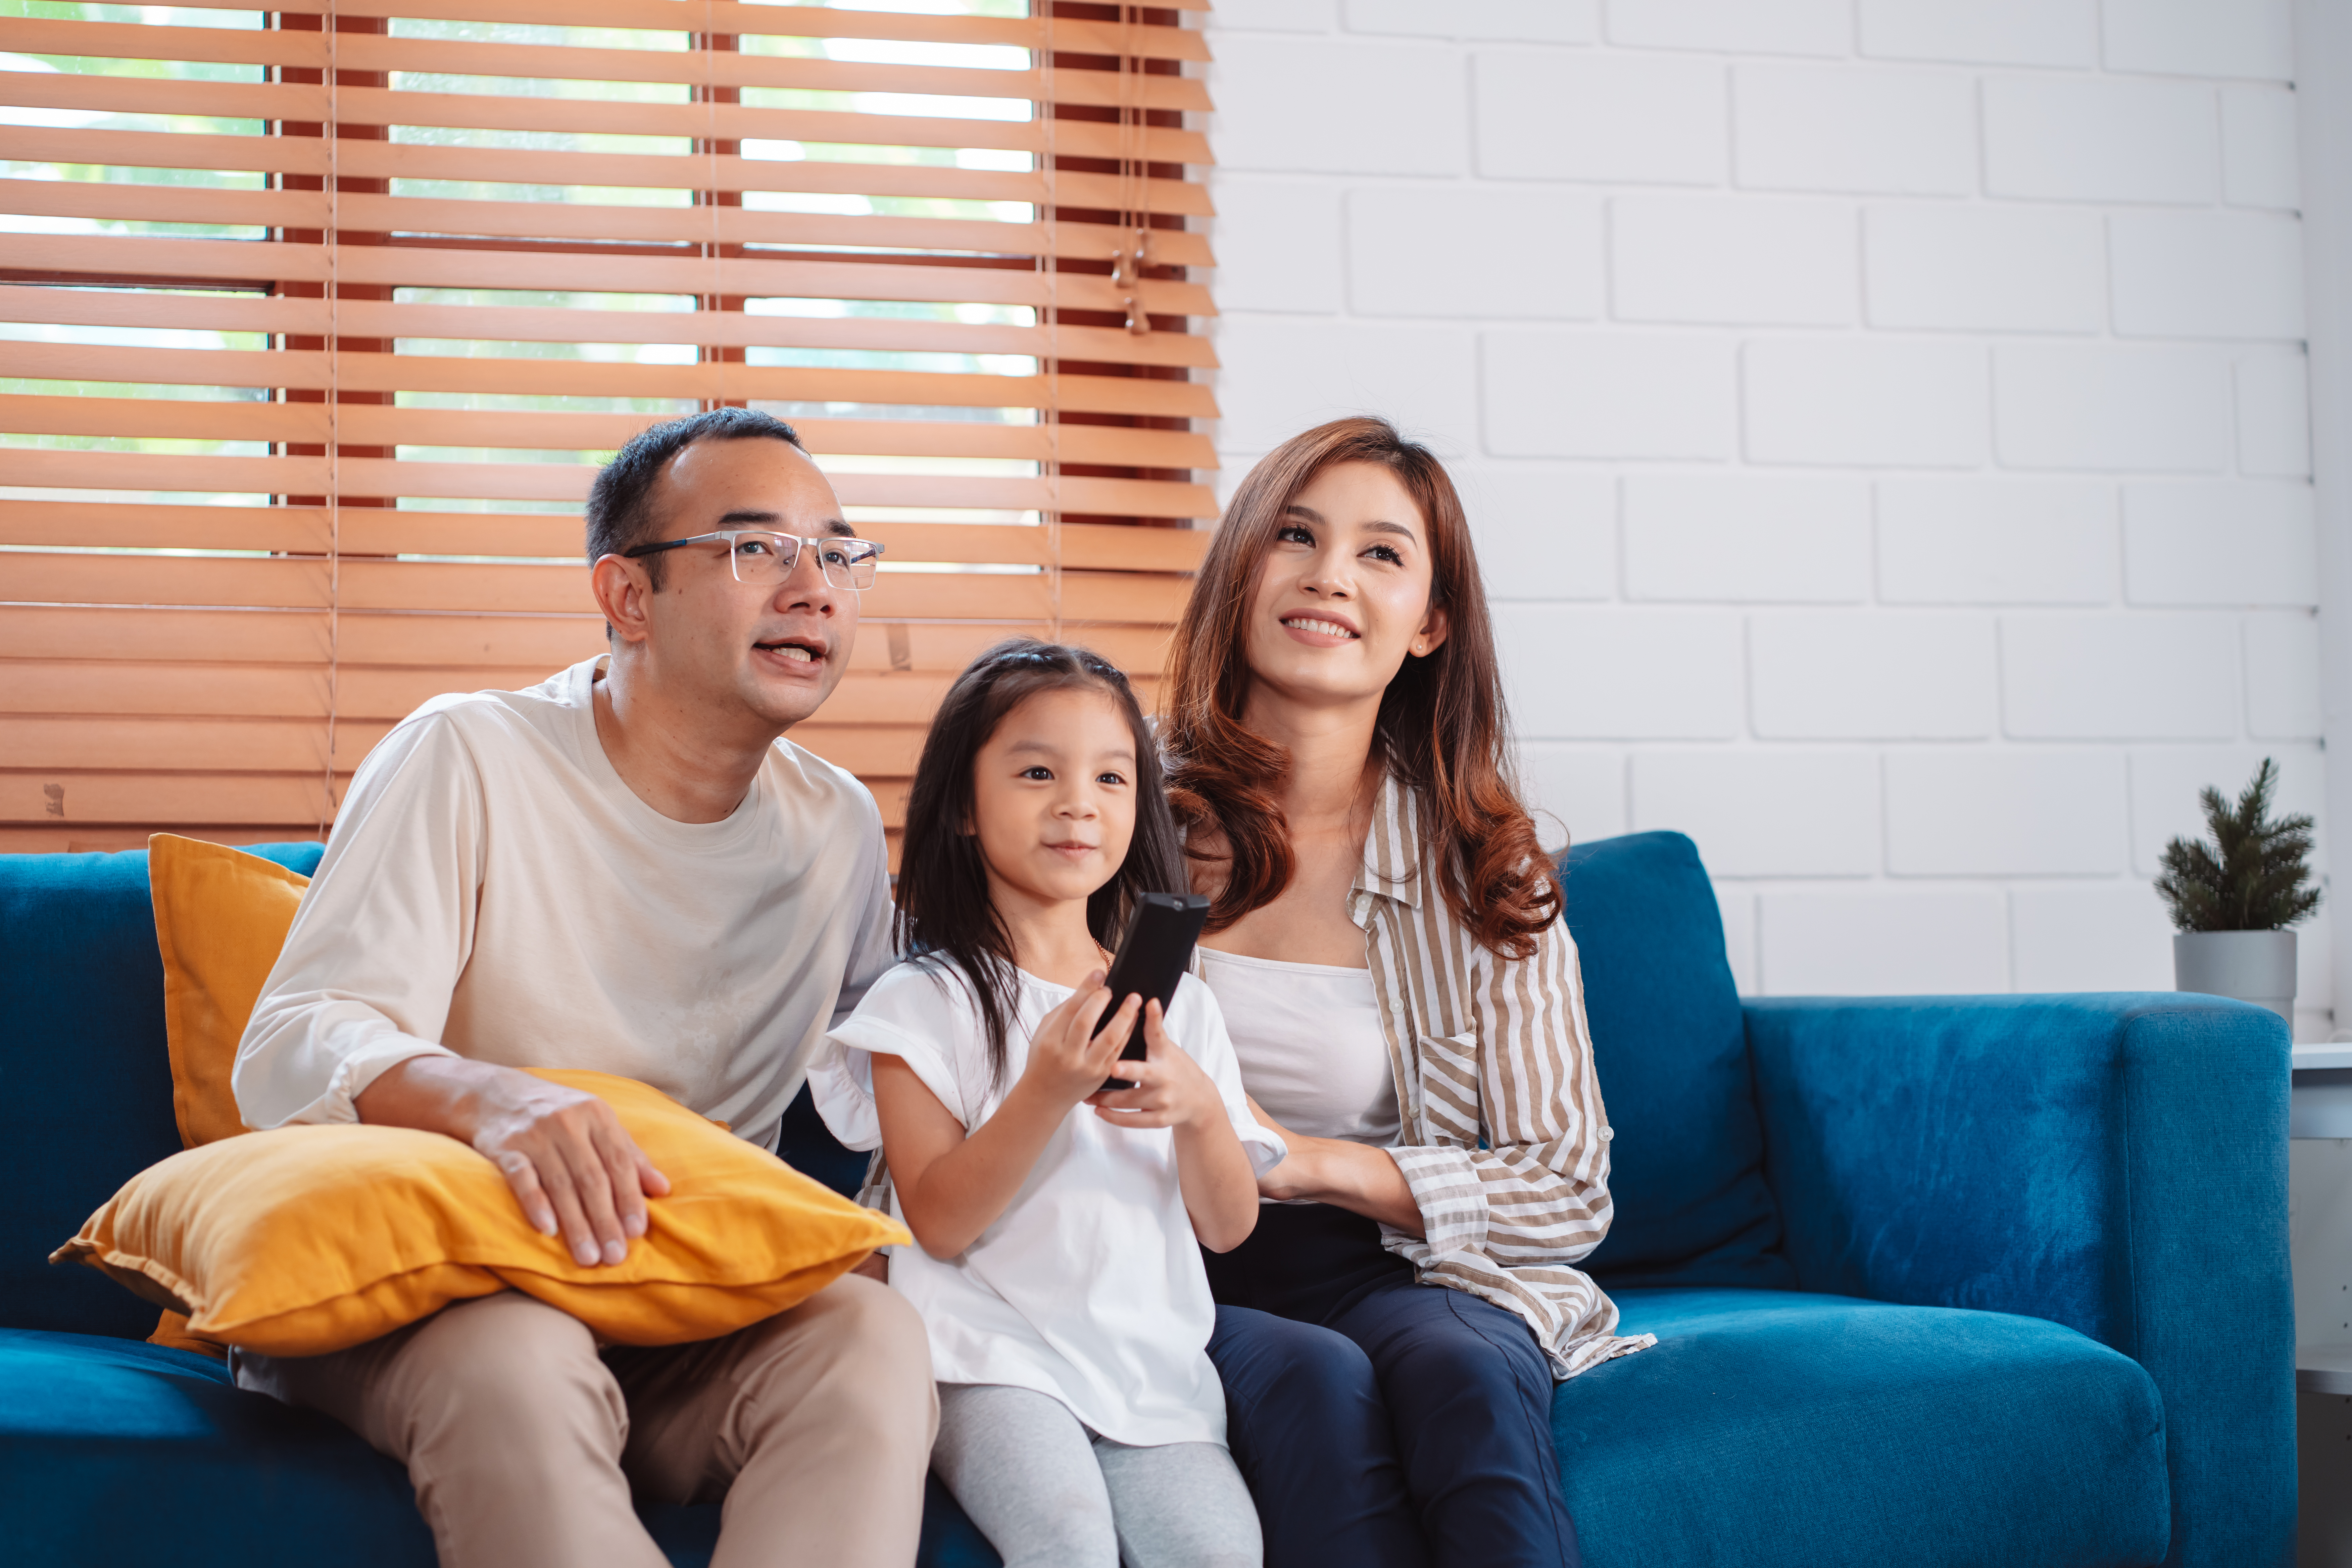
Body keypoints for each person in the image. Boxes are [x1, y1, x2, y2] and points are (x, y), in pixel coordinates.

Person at [230, 408, 938, 1568]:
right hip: (432, 1289)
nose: (816, 588)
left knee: (868, 1335)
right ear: (627, 597)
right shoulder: (468, 754)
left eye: (839, 553)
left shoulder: (837, 826)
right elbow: (296, 1041)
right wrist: (491, 1102)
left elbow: (890, 1074)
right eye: (758, 548)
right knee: (516, 1358)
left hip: (672, 1299)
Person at [1163, 418, 1653, 1568]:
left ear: (1430, 625)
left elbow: (1568, 1187)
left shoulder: (1481, 867)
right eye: (1296, 535)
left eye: (1382, 553)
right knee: (1319, 1390)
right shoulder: (1119, 812)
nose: (1330, 574)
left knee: (1467, 1373)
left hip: (1385, 1262)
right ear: (1242, 572)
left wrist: (1312, 1160)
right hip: (1161, 1259)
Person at [806, 640, 1282, 1568]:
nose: (1078, 803)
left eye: (1111, 778)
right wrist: (1045, 1090)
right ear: (962, 810)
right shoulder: (924, 1003)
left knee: (1224, 1553)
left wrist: (1199, 1113)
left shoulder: (1180, 1005)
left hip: (1154, 1377)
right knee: (1064, 1542)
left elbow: (1229, 1228)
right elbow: (938, 1223)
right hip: (990, 1359)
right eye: (1036, 772)